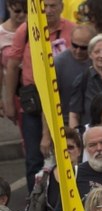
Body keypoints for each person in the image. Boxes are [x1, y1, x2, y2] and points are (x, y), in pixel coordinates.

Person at [2, 0, 74, 192]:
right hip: (33, 105)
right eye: (45, 6)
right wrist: (9, 102)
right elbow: (11, 67)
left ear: (61, 6)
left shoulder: (72, 30)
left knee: (66, 154)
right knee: (34, 158)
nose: (49, 10)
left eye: (53, 6)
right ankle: (33, 205)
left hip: (64, 105)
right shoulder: (25, 30)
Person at [52, 25, 92, 123]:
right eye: (74, 45)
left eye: (83, 48)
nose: (78, 51)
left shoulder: (98, 61)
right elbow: (49, 101)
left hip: (92, 121)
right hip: (65, 121)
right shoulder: (58, 63)